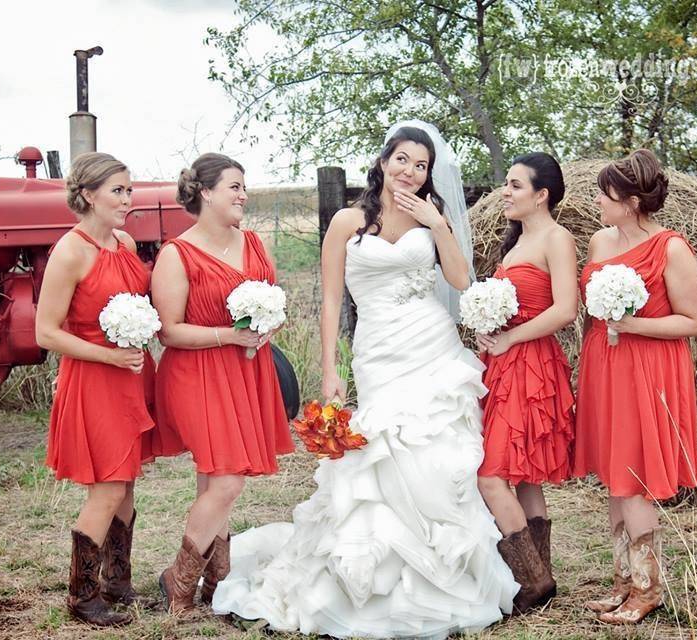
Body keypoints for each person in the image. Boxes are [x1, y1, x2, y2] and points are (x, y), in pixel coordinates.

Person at [211, 123, 518, 638]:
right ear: (383, 161)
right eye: (402, 160)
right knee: (383, 450)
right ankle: (372, 576)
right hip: (378, 351)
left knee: (439, 453)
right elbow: (332, 300)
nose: (410, 172)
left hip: (433, 344)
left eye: (420, 166)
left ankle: (449, 574)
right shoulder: (349, 221)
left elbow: (463, 283)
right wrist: (331, 368)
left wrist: (438, 226)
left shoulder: (431, 218)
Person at [151, 152, 294, 614]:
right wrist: (229, 335)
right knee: (228, 480)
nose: (243, 195)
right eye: (234, 186)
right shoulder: (177, 254)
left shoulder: (253, 242)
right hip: (196, 373)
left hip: (246, 369)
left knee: (214, 479)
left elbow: (271, 300)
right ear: (206, 193)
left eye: (244, 186)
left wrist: (267, 326)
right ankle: (179, 583)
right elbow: (168, 330)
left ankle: (218, 582)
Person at [573, 149, 697, 624]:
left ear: (629, 201)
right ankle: (623, 582)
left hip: (646, 367)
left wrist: (632, 326)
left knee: (634, 477)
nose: (597, 202)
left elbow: (692, 321)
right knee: (614, 475)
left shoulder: (670, 247)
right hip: (604, 364)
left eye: (604, 195)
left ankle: (648, 589)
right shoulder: (598, 242)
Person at [36, 152, 156, 627]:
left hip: (130, 375)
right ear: (88, 195)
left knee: (125, 482)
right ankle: (82, 597)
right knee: (107, 487)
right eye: (118, 191)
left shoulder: (124, 243)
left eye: (129, 190)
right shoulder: (70, 251)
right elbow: (46, 332)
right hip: (95, 377)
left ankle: (117, 583)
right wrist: (108, 356)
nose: (128, 199)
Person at [474, 152, 577, 613]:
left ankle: (531, 581)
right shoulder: (514, 244)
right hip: (504, 361)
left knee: (491, 475)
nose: (506, 193)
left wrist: (511, 335)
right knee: (526, 476)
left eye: (515, 185)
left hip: (532, 364)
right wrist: (487, 327)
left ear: (542, 195)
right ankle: (543, 575)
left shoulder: (557, 238)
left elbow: (565, 309)